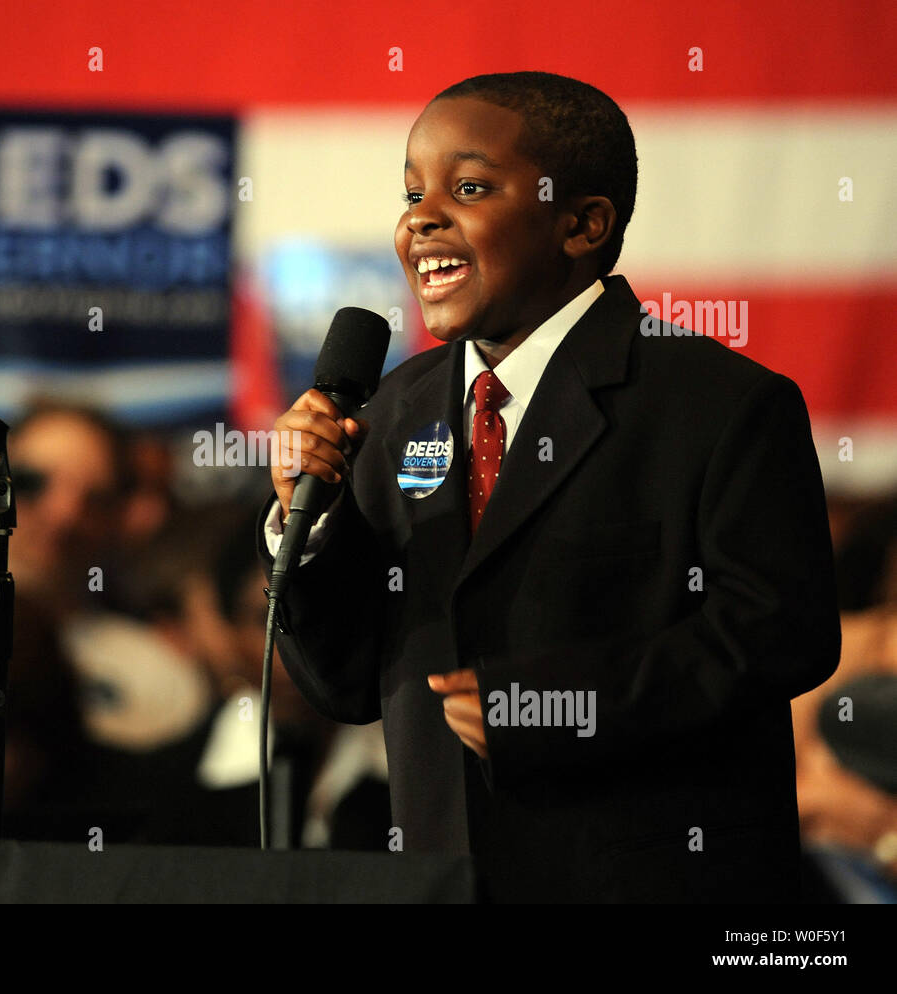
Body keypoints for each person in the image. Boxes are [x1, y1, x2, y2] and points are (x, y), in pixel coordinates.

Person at [259, 71, 840, 902]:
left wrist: (563, 705)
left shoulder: (720, 405)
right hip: (449, 880)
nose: (421, 216)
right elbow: (350, 685)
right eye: (412, 191)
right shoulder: (392, 412)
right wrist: (302, 524)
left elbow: (781, 632)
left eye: (467, 187)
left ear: (582, 223)